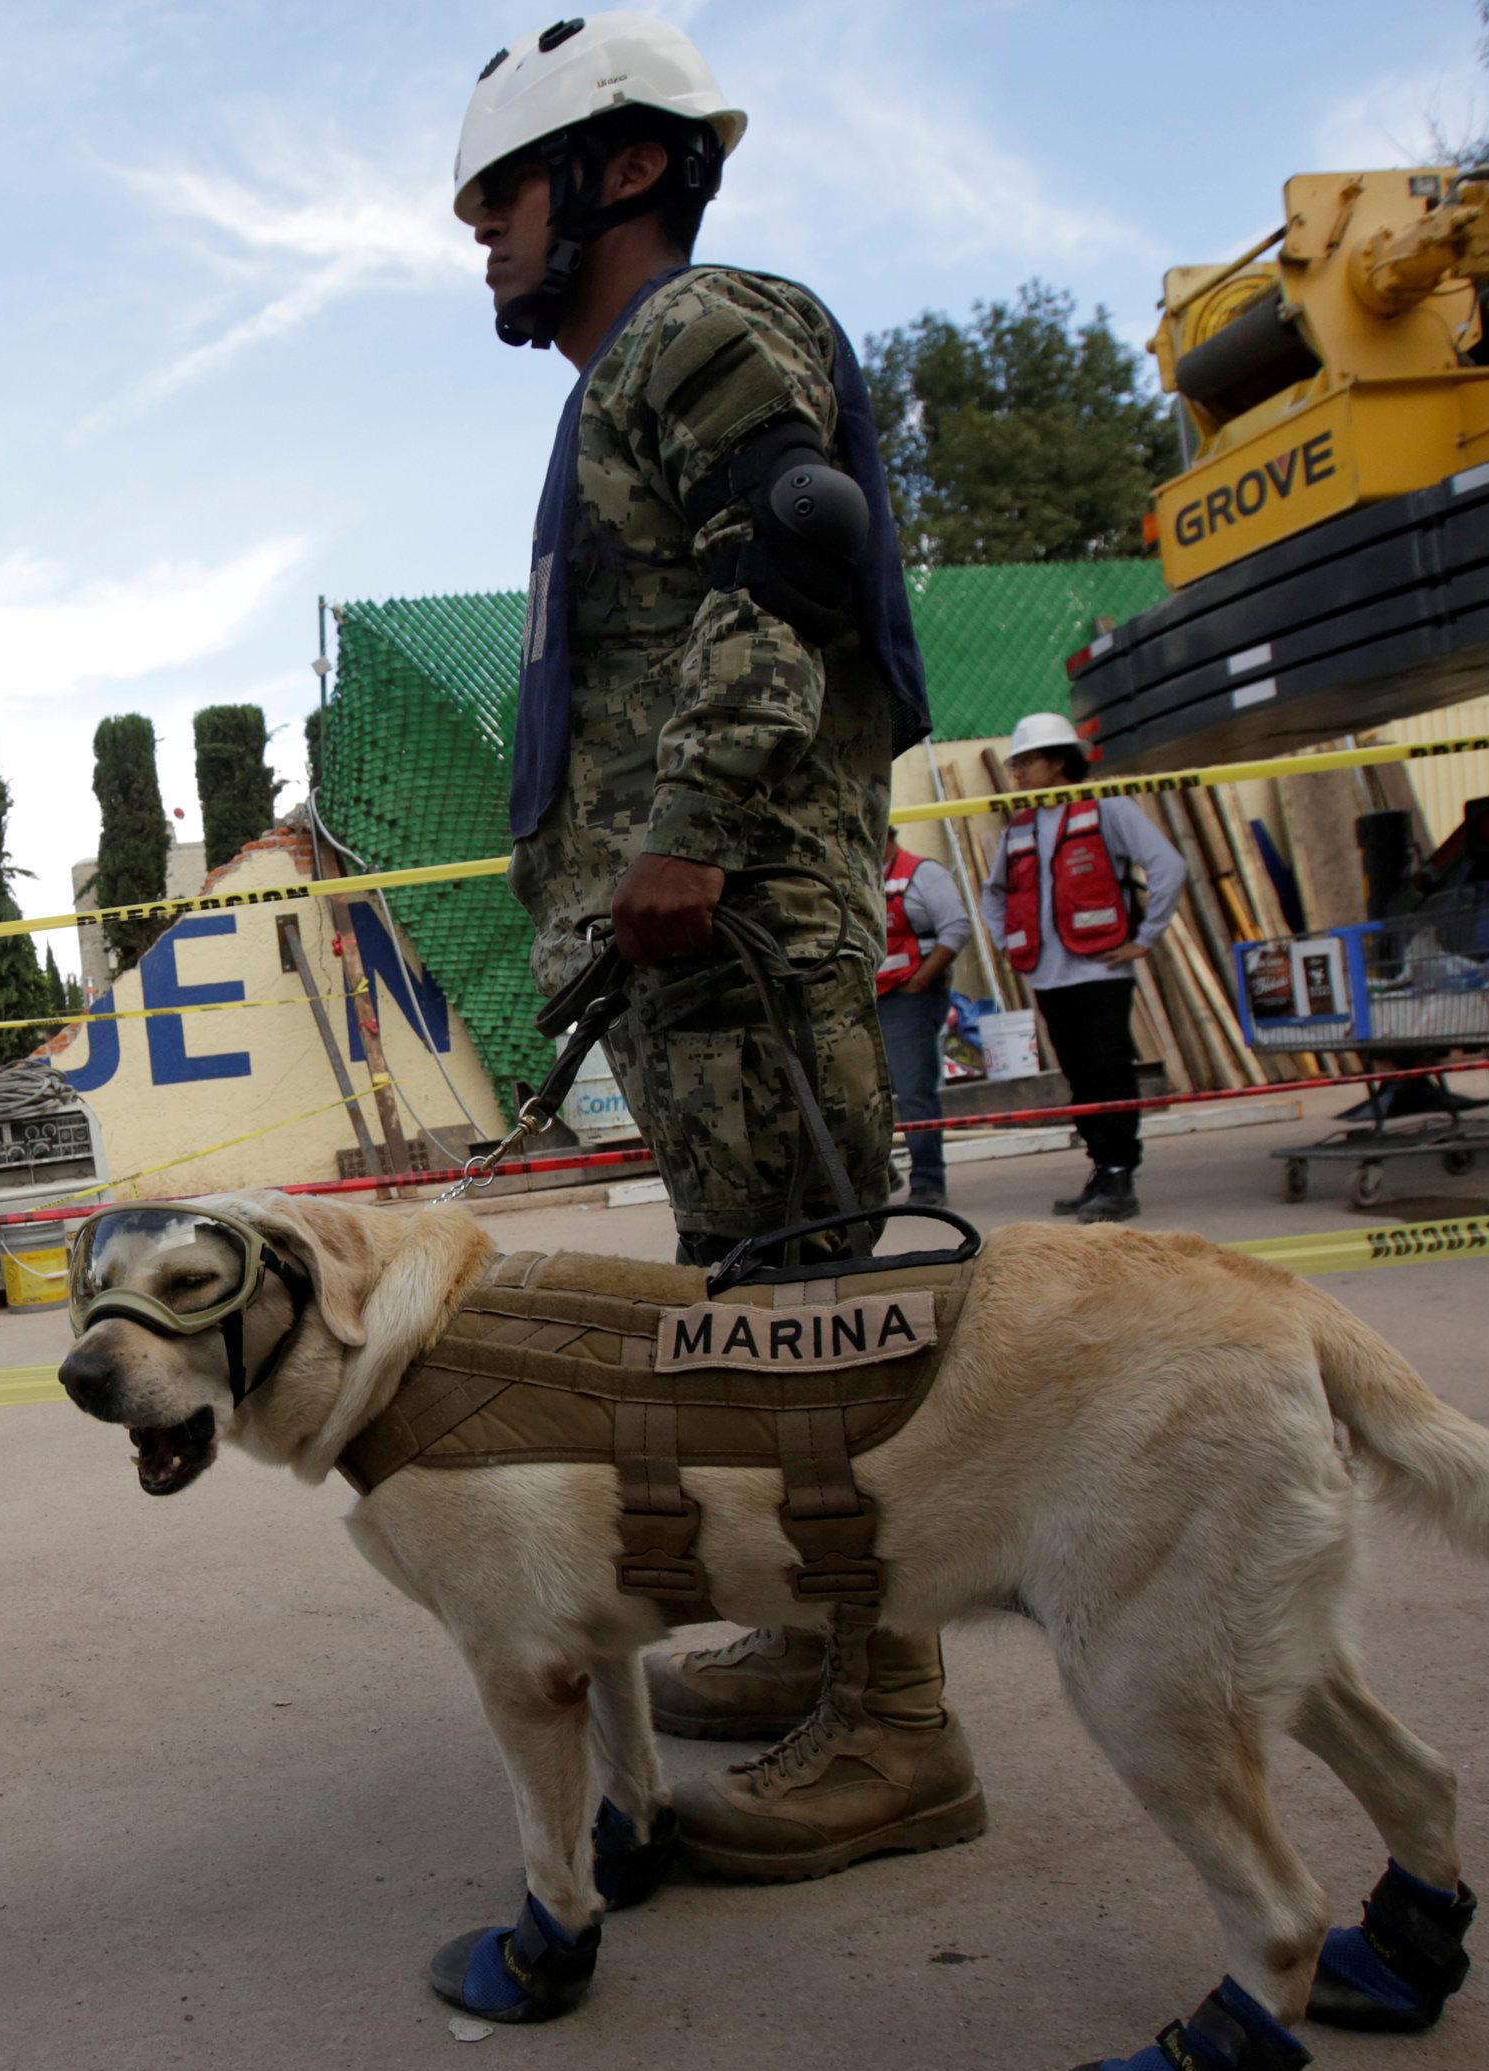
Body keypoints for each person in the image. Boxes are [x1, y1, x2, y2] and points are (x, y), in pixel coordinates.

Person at [455, 14, 983, 1892]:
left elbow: (791, 564)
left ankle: (902, 1723)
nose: (484, 235)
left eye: (503, 193)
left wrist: (682, 833)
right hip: (698, 936)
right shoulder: (622, 377)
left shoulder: (694, 325)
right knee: (763, 1309)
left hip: (737, 910)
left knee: (818, 1317)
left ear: (619, 170)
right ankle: (829, 1634)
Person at [979, 712, 1185, 1223]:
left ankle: (1120, 1174)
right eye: (1015, 763)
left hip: (1099, 972)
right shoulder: (1022, 824)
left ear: (1058, 762)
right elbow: (995, 893)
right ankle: (1101, 1168)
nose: (1017, 773)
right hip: (1048, 974)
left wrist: (1144, 939)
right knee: (1080, 1077)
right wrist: (1009, 941)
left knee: (1108, 1072)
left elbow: (1167, 866)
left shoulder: (1108, 809)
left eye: (1026, 762)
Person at [876, 838, 971, 1206]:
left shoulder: (922, 874)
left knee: (914, 1092)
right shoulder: (858, 877)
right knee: (862, 1097)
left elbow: (957, 928)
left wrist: (921, 979)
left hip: (909, 999)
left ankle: (929, 1181)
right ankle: (882, 1174)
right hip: (867, 998)